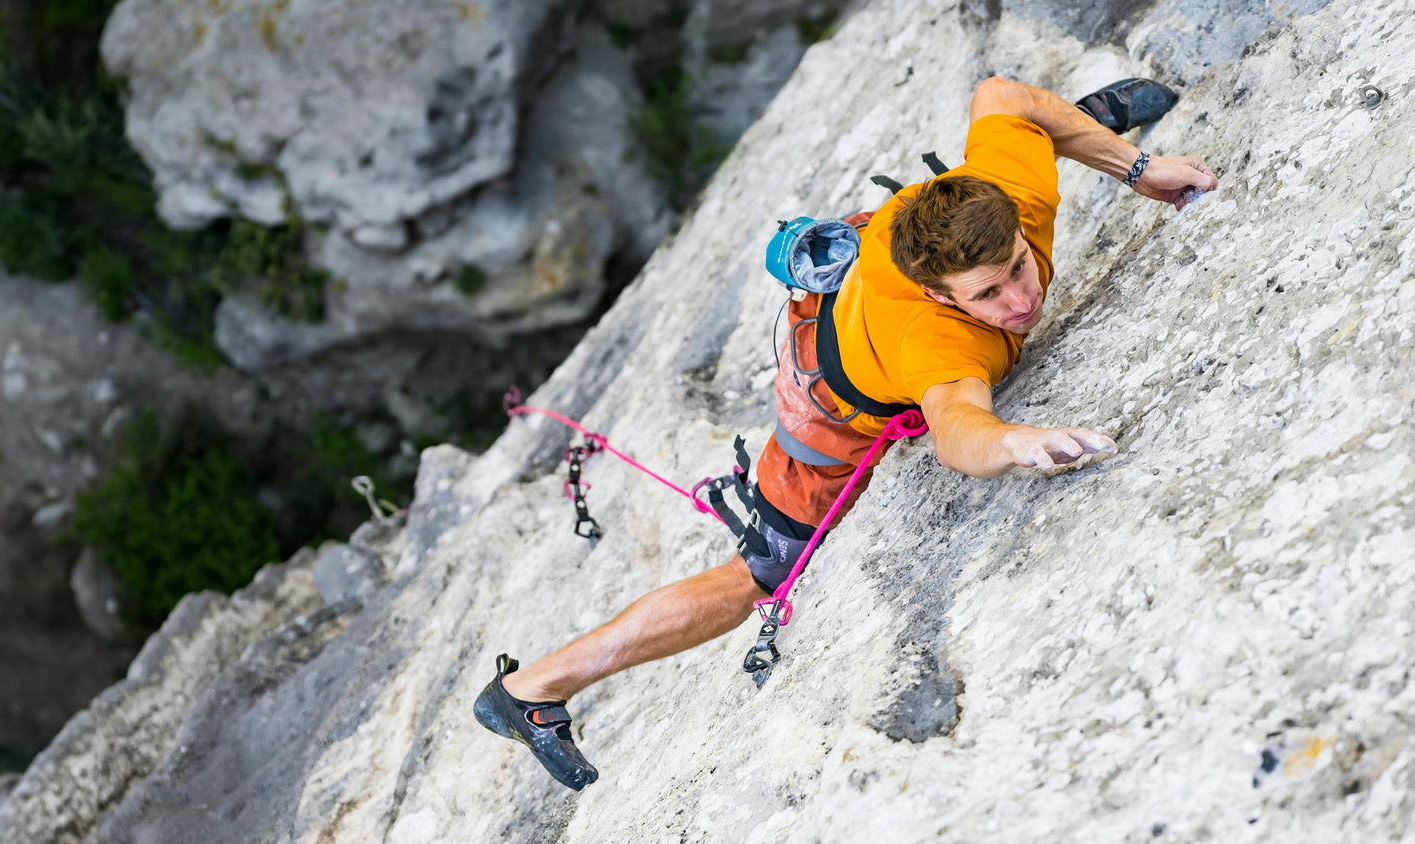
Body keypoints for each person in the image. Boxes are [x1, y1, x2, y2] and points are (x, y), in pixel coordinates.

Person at [473, 76, 1219, 791]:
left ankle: (1072, 128)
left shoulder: (1008, 196)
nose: (1023, 299)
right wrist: (1014, 442)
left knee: (1021, 123)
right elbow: (958, 426)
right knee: (757, 572)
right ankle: (530, 690)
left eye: (1020, 268)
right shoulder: (939, 343)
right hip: (829, 392)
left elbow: (1001, 95)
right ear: (940, 295)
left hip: (889, 246)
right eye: (990, 294)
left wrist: (1138, 168)